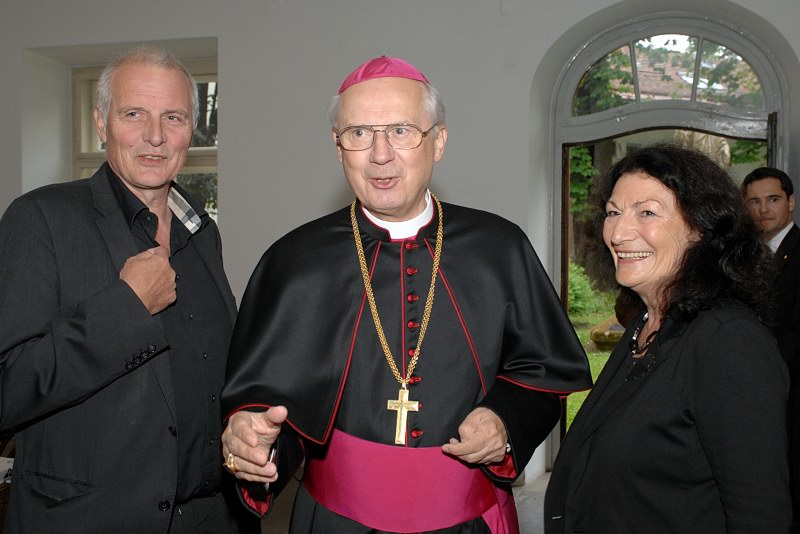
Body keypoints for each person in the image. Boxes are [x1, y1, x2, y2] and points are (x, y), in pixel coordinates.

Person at [220, 55, 592, 533]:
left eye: (401, 131)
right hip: (336, 521)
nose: (380, 154)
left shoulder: (499, 248)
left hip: (467, 520)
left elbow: (543, 371)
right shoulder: (294, 260)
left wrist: (504, 421)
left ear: (438, 141)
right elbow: (265, 398)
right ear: (338, 147)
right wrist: (253, 440)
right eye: (359, 133)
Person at [0, 48, 255, 534]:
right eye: (134, 113)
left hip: (210, 516)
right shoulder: (41, 220)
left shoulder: (202, 232)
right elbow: (7, 389)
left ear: (192, 129)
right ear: (102, 122)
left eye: (173, 117)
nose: (155, 136)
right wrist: (127, 308)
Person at [544, 144, 792, 533]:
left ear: (699, 228)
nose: (618, 233)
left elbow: (760, 515)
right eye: (613, 212)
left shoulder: (729, 340)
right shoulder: (646, 324)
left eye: (647, 212)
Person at [743, 166, 800, 531]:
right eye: (754, 202)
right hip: (754, 390)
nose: (763, 210)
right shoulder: (746, 258)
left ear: (791, 202)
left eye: (773, 200)